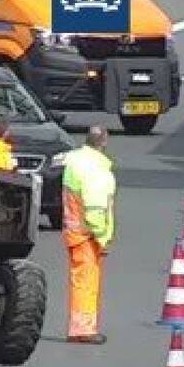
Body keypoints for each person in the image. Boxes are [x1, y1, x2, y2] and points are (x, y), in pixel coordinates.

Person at [62, 126, 116, 344]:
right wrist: (102, 237)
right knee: (86, 283)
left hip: (74, 230)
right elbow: (95, 209)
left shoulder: (74, 161)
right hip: (87, 235)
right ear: (103, 142)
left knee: (80, 280)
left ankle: (81, 327)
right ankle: (83, 330)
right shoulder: (97, 170)